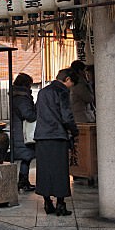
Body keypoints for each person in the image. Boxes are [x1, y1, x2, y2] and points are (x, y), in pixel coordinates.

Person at [34, 68, 79, 216]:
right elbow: (66, 116)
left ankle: (47, 202)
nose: (71, 86)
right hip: (57, 136)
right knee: (60, 170)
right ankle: (60, 204)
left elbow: (37, 112)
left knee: (45, 169)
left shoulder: (42, 92)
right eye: (72, 82)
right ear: (67, 79)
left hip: (41, 136)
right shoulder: (62, 91)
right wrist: (74, 131)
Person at [11, 73, 37, 192]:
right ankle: (23, 181)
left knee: (26, 157)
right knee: (27, 156)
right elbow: (29, 115)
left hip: (18, 130)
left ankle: (23, 181)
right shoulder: (22, 98)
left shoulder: (16, 95)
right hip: (23, 132)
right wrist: (36, 110)